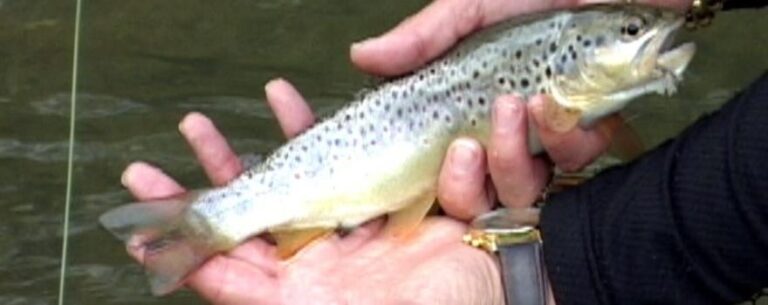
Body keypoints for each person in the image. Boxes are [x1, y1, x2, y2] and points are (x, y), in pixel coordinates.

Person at [120, 0, 767, 304]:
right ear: (557, 63)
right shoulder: (548, 69)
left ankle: (206, 221)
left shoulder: (568, 85)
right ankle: (209, 220)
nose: (650, 38)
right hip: (378, 154)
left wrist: (541, 272)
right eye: (631, 32)